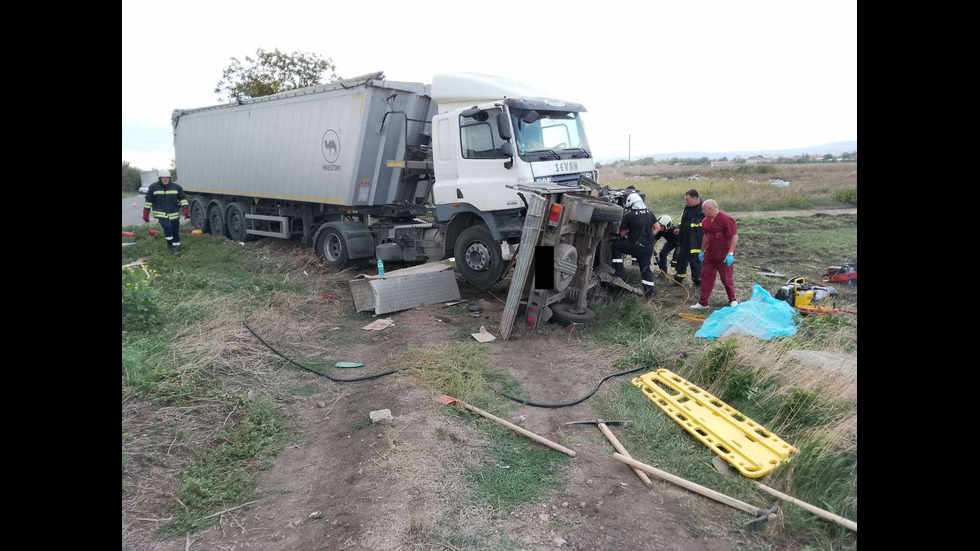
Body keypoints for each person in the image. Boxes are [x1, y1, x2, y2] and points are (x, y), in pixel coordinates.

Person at [690, 199, 739, 309]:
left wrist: (730, 253)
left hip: (724, 255)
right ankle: (703, 302)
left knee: (726, 279)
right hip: (710, 255)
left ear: (710, 209)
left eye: (704, 209)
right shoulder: (705, 221)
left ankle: (732, 299)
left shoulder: (727, 219)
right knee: (706, 276)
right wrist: (702, 251)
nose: (702, 212)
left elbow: (734, 236)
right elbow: (706, 236)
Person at [612, 193, 661, 298]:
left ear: (631, 204)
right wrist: (648, 237)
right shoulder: (650, 213)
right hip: (647, 247)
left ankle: (620, 272)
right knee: (645, 269)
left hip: (633, 246)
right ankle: (650, 294)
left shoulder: (629, 215)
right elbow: (657, 228)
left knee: (615, 246)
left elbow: (622, 234)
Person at [142, 169, 190, 253]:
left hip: (174, 213)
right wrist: (146, 213)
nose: (165, 179)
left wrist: (185, 209)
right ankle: (170, 246)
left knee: (175, 231)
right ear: (159, 178)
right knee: (168, 227)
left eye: (167, 177)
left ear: (170, 178)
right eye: (163, 177)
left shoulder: (176, 187)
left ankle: (177, 246)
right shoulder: (153, 187)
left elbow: (183, 198)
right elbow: (148, 201)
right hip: (161, 213)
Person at [673, 189, 705, 289]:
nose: (686, 202)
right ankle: (678, 280)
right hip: (685, 239)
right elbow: (683, 221)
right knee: (681, 260)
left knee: (695, 262)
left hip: (697, 240)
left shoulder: (703, 208)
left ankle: (698, 283)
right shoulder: (687, 208)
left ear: (695, 198)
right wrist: (679, 228)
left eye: (687, 200)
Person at [652, 214, 680, 279]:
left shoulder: (674, 231)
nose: (659, 227)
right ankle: (664, 273)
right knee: (662, 253)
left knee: (678, 259)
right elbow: (654, 240)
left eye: (660, 226)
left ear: (667, 225)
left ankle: (678, 275)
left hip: (680, 244)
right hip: (671, 242)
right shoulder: (660, 231)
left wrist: (675, 259)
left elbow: (679, 247)